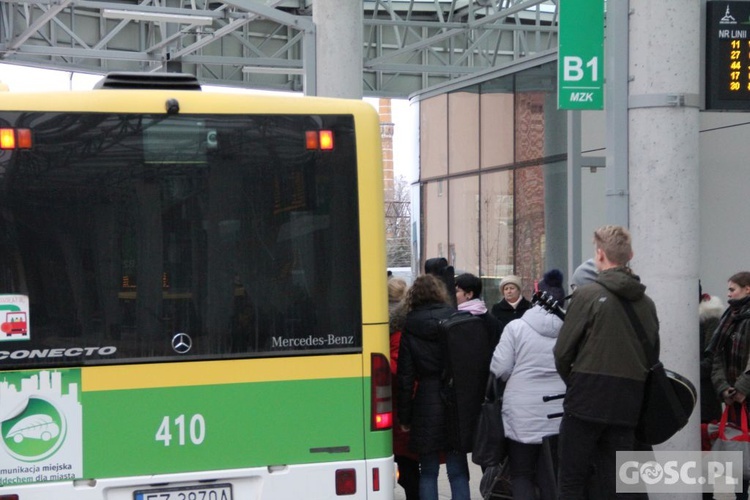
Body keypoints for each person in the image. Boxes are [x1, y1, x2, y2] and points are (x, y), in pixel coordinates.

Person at [554, 225, 659, 499]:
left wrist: (576, 381)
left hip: (586, 397)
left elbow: (563, 352)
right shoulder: (646, 303)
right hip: (627, 401)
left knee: (572, 480)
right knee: (622, 483)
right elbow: (652, 356)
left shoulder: (587, 295)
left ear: (600, 255)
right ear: (630, 254)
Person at [396, 274, 470, 500]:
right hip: (454, 399)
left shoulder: (410, 325)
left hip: (425, 402)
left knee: (428, 471)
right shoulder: (454, 318)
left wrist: (405, 417)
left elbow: (406, 377)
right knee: (457, 471)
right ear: (440, 292)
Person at [490, 300, 566, 500]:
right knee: (550, 473)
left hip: (523, 411)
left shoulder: (515, 327)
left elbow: (501, 368)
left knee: (521, 474)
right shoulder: (568, 328)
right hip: (559, 407)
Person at [709, 271, 750, 500]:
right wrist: (724, 388)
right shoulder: (728, 318)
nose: (728, 294)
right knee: (738, 460)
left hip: (743, 395)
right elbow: (716, 357)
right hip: (733, 399)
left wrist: (743, 388)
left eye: (732, 289)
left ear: (748, 289)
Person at [388, 277, 420, 500]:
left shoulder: (394, 331)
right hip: (419, 400)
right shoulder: (416, 324)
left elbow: (396, 370)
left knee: (407, 462)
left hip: (402, 403)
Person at [455, 272, 503, 348]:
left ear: (469, 294)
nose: (453, 295)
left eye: (457, 291)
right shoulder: (494, 322)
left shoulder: (456, 321)